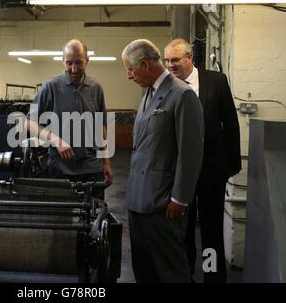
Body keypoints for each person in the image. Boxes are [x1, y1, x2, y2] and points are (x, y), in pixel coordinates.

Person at [122, 39, 204, 282]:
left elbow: (191, 152)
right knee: (144, 271)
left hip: (163, 206)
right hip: (138, 203)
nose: (128, 76)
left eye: (130, 69)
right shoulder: (149, 93)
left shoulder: (182, 95)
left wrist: (180, 198)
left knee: (171, 273)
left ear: (145, 64)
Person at [164, 39, 241, 283]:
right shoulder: (166, 86)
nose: (170, 65)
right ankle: (185, 275)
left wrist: (231, 164)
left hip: (211, 170)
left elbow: (230, 123)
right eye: (167, 60)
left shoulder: (216, 81)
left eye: (175, 60)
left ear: (190, 58)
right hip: (179, 172)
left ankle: (212, 276)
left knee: (211, 230)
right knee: (183, 230)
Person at [25, 39, 113, 198]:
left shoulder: (96, 88)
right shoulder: (51, 87)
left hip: (93, 170)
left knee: (95, 216)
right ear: (62, 61)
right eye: (69, 63)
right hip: (61, 169)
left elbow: (102, 128)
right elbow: (29, 122)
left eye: (78, 63)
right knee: (63, 218)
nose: (73, 69)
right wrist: (57, 141)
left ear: (87, 60)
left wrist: (106, 162)